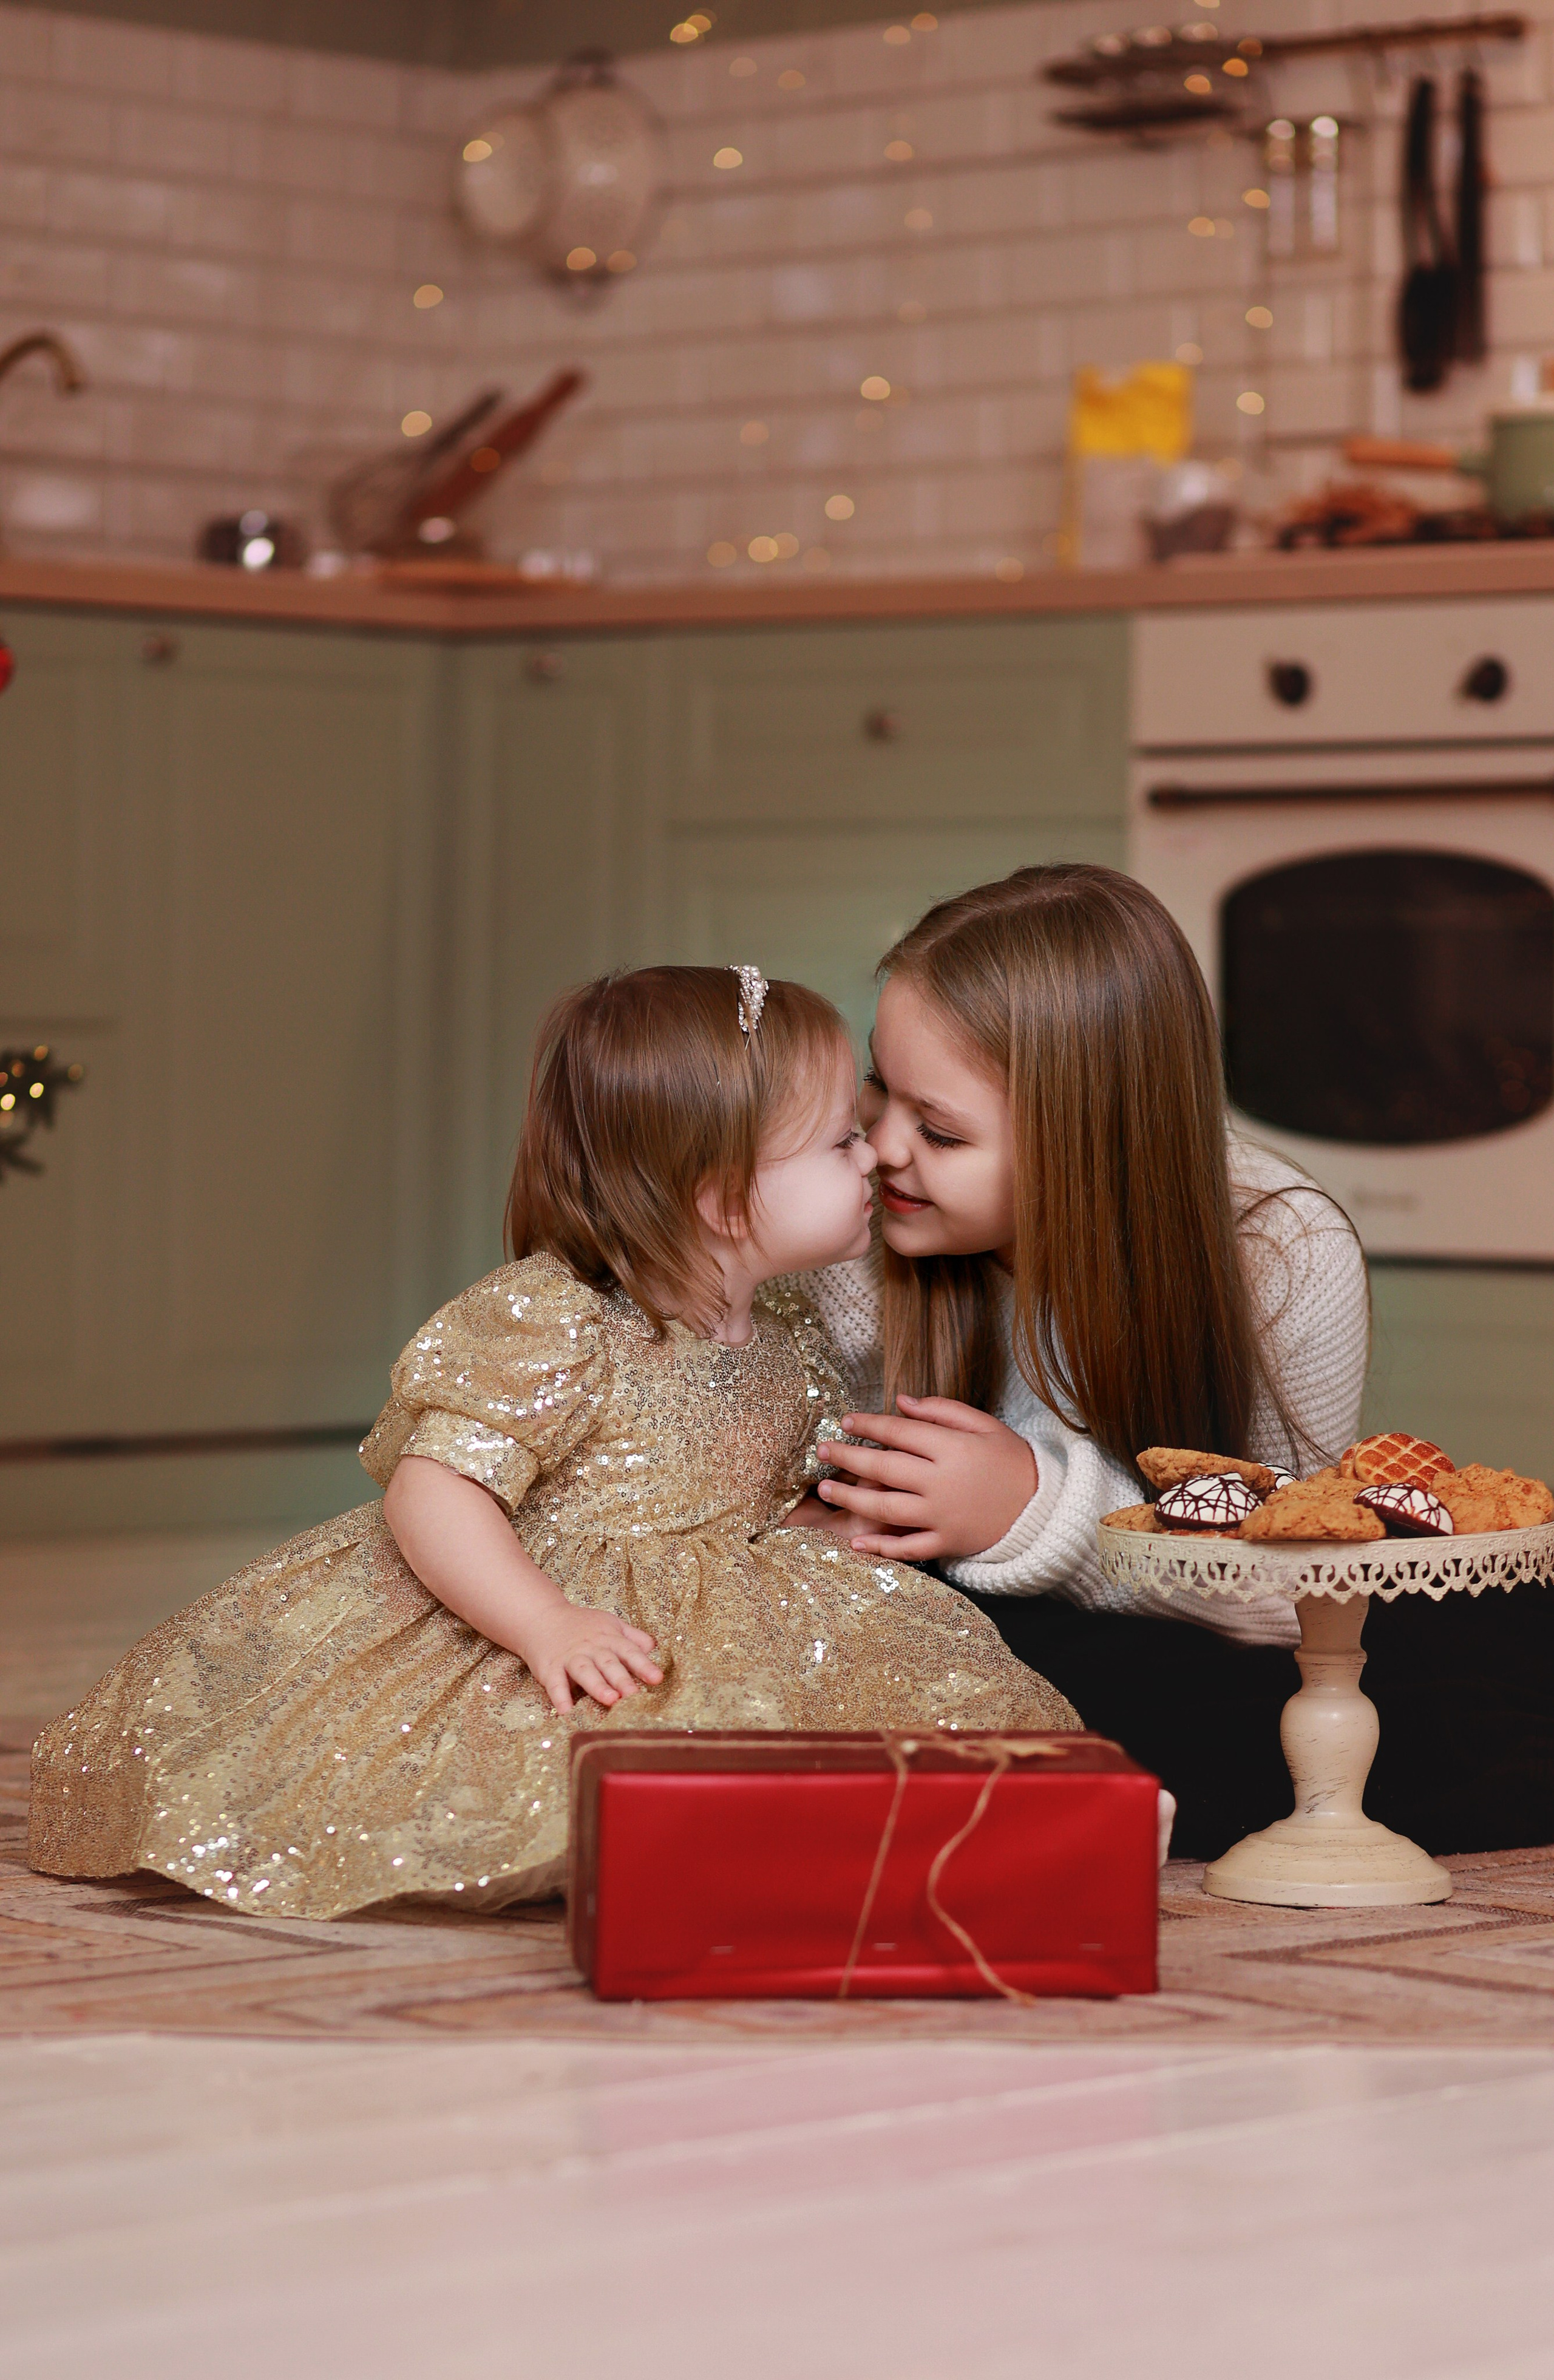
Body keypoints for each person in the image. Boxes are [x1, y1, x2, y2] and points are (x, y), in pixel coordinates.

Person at [29, 965, 1075, 1919]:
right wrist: (544, 1623)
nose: (876, 1157)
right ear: (718, 1197)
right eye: (843, 1139)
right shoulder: (558, 1319)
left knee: (862, 1719)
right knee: (548, 1748)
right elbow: (434, 1494)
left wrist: (822, 1525)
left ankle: (886, 1837)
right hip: (548, 1594)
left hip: (725, 1603)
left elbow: (752, 1494)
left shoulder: (793, 1329)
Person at [781, 864, 1377, 1858]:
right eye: (877, 1090)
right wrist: (812, 1520)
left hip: (1169, 1649)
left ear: (1084, 1143)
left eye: (937, 1129)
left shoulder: (1282, 1251)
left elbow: (1303, 1595)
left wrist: (1031, 1512)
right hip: (915, 1626)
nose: (879, 1148)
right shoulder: (855, 1227)